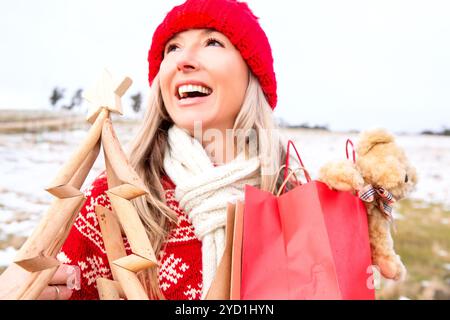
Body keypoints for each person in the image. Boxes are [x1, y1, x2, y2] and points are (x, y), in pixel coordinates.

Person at [40, 0, 295, 300]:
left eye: (212, 42)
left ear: (252, 73)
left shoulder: (295, 203)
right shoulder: (116, 200)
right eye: (172, 48)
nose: (183, 61)